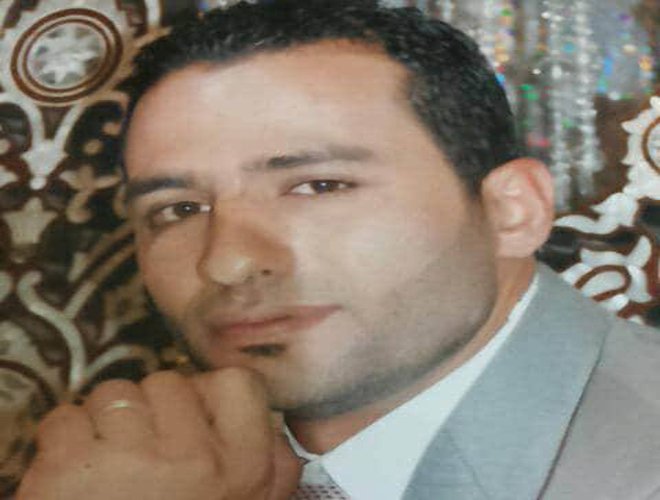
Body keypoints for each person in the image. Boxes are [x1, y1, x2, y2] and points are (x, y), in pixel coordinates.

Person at [16, 1, 660, 499]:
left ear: (510, 211)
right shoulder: (166, 467)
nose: (227, 261)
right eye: (178, 210)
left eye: (318, 186)